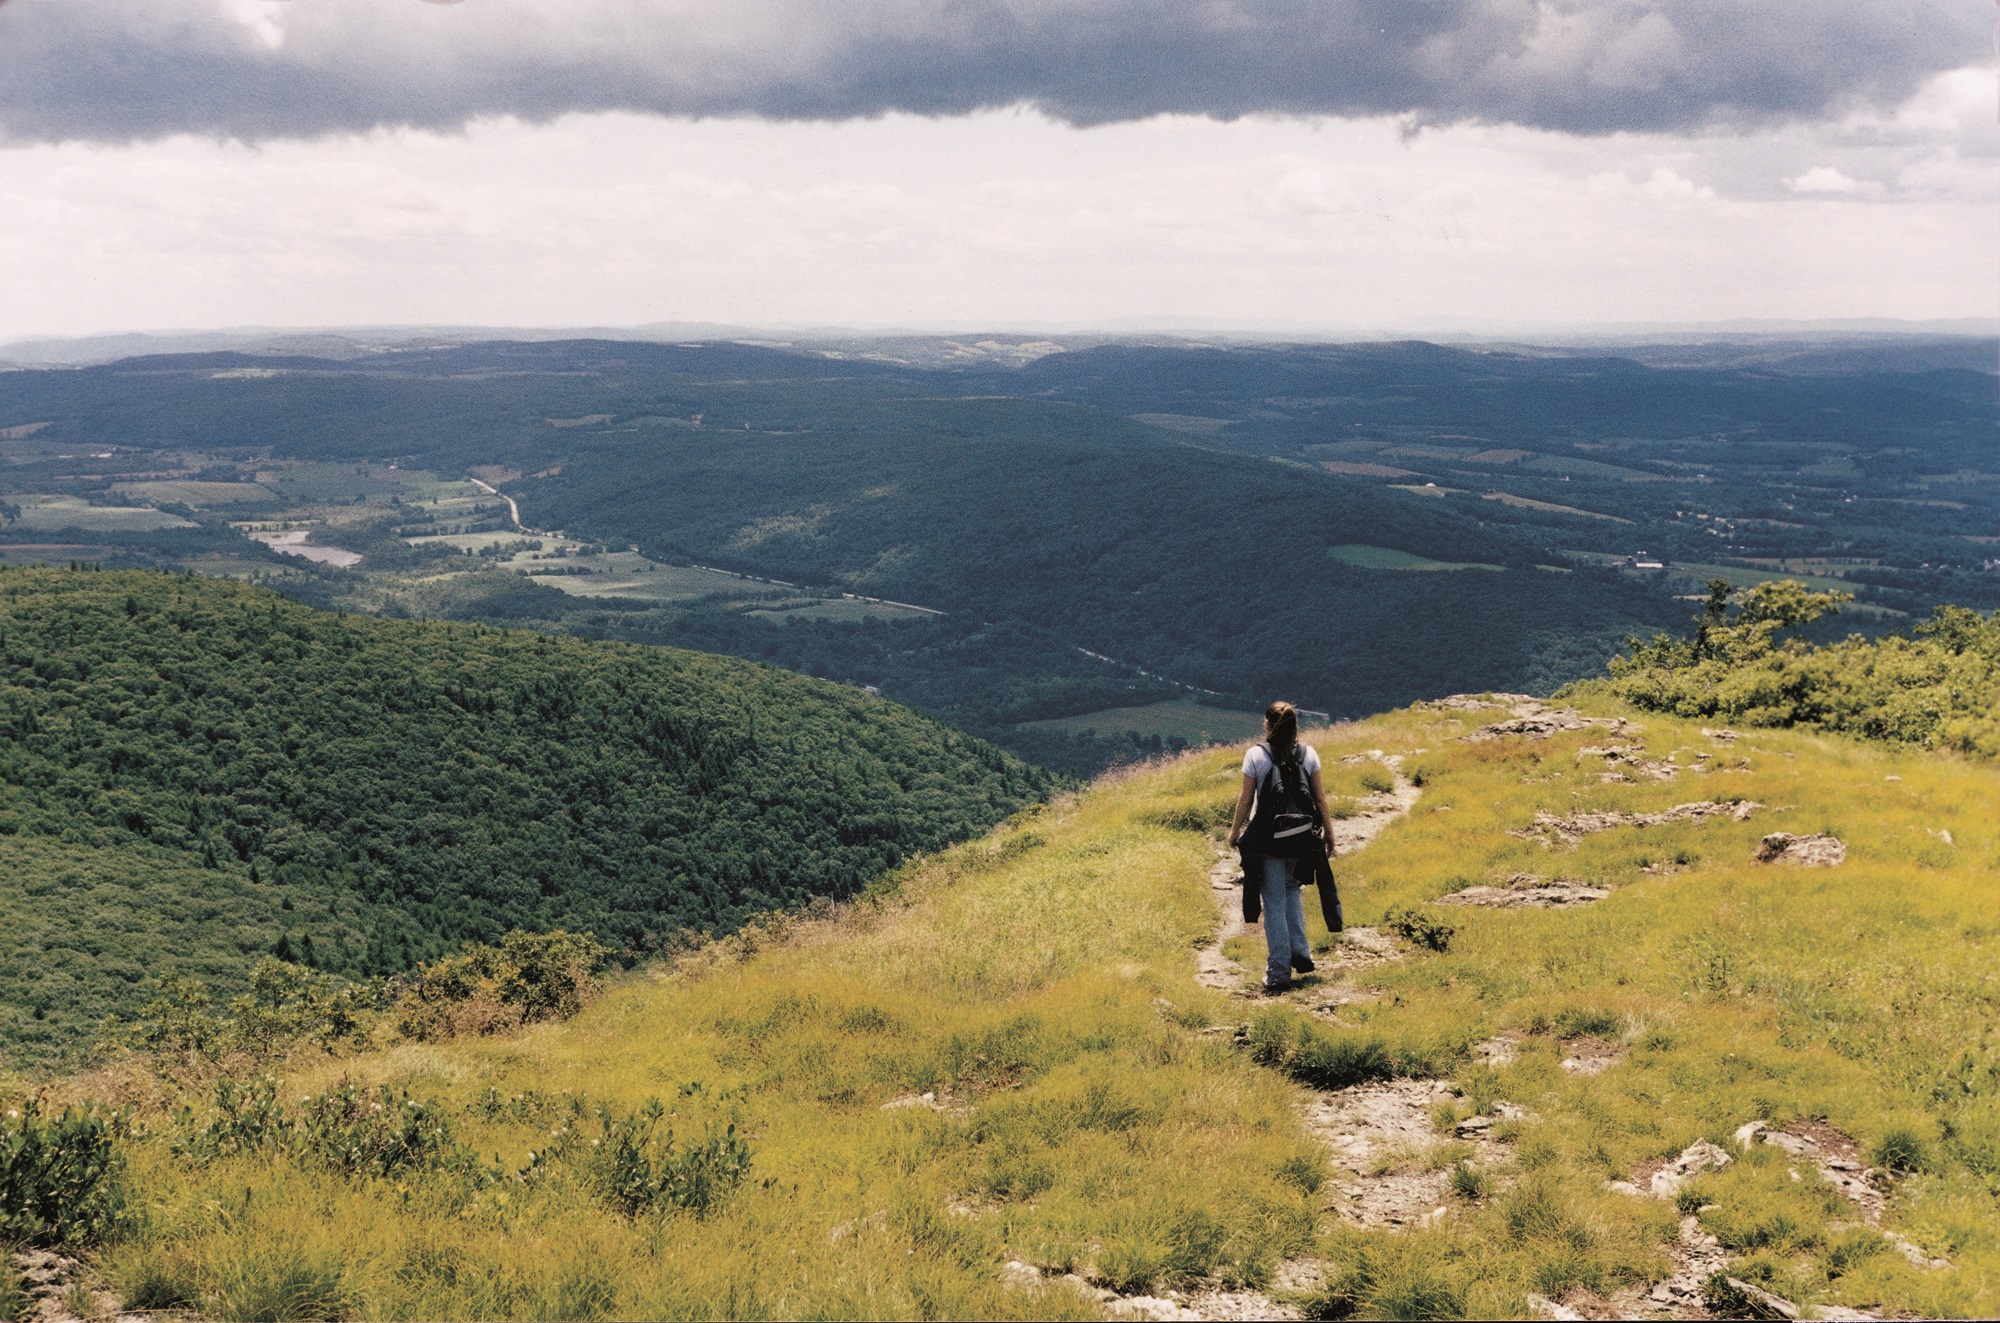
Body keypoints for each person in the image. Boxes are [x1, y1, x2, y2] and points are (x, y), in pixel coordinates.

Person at [1225, 701, 1336, 993]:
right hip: (1301, 839)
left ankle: (1278, 972)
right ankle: (1301, 952)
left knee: (1273, 901)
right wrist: (1329, 834)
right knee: (1291, 891)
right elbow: (1320, 798)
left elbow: (1246, 799)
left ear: (1267, 724)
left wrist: (1235, 831)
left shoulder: (1256, 755)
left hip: (1269, 840)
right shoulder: (1308, 754)